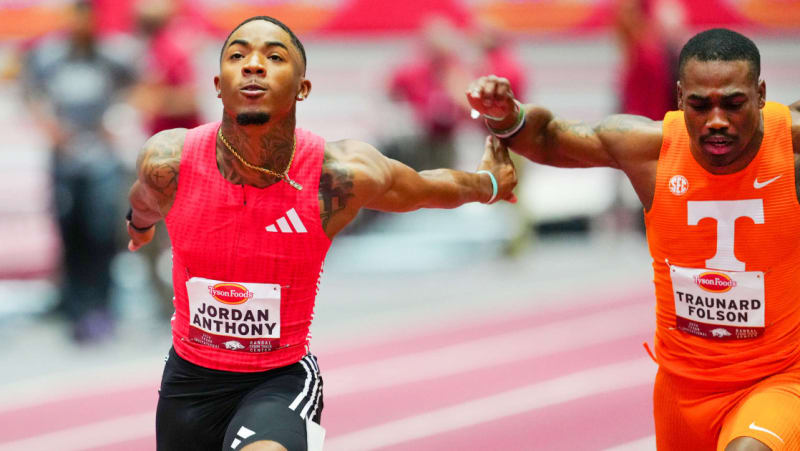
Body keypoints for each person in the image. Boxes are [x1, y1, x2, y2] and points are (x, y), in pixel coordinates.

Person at [126, 15, 516, 451]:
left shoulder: (337, 176)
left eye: (274, 57)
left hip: (278, 380)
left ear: (303, 88)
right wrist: (139, 227)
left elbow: (427, 188)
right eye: (238, 56)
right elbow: (143, 200)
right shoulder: (169, 161)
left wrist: (491, 183)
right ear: (218, 85)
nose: (253, 65)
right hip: (190, 381)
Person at [467, 28, 800, 450]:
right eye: (700, 105)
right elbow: (549, 139)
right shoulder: (650, 150)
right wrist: (505, 115)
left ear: (761, 94)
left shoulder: (791, 148)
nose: (717, 120)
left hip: (778, 381)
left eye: (734, 104)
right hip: (682, 390)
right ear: (680, 98)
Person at [24, 0, 135, 342]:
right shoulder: (50, 56)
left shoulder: (110, 57)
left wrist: (116, 120)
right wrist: (50, 128)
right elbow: (28, 91)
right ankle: (73, 306)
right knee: (70, 231)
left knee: (101, 233)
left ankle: (102, 306)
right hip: (65, 159)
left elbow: (140, 85)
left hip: (101, 160)